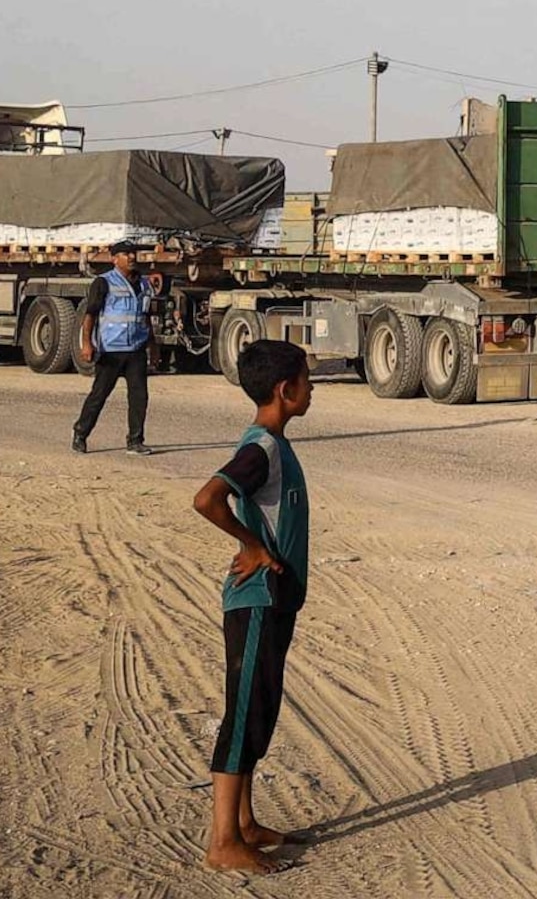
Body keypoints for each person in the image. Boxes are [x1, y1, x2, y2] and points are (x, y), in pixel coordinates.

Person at [193, 337, 314, 874]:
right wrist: (252, 545)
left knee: (259, 712)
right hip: (257, 602)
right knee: (242, 718)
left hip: (274, 601)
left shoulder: (273, 444)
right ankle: (222, 843)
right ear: (286, 390)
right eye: (308, 380)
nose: (313, 389)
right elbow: (208, 498)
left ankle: (243, 824)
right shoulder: (261, 447)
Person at [72, 244, 162, 455]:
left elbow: (145, 317)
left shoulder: (143, 283)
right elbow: (90, 315)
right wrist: (87, 343)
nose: (131, 257)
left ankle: (135, 441)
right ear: (114, 259)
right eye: (126, 254)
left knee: (139, 396)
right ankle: (80, 433)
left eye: (133, 254)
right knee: (99, 395)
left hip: (136, 349)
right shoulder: (104, 282)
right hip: (111, 349)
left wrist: (153, 346)